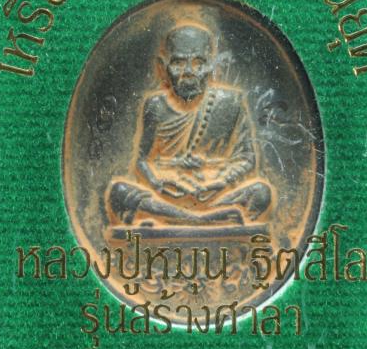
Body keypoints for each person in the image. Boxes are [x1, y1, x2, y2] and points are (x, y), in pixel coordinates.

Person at [106, 24, 272, 227]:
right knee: (119, 191)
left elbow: (247, 158)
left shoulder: (231, 103)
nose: (188, 72)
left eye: (198, 64)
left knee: (261, 192)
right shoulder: (155, 105)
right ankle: (201, 219)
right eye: (178, 63)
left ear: (212, 66)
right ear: (162, 67)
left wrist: (220, 182)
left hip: (216, 194)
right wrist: (159, 183)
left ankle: (184, 218)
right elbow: (141, 160)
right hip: (169, 194)